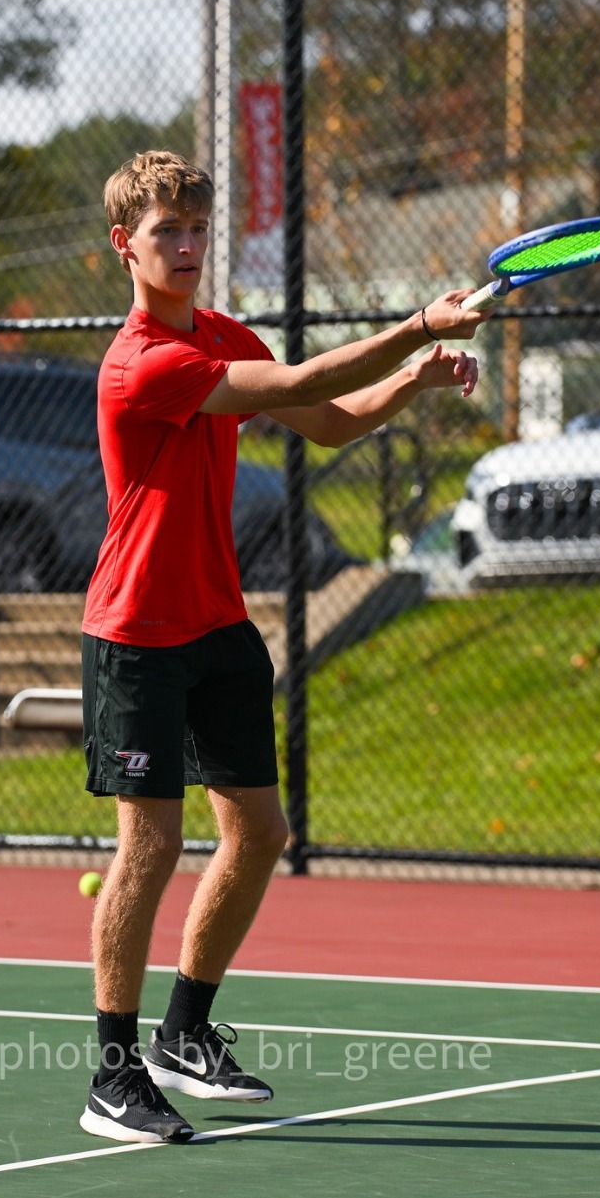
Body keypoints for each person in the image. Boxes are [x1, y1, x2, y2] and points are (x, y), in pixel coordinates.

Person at [78, 151, 484, 1144]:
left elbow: (326, 421)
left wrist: (412, 382)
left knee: (259, 832)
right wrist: (417, 326)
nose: (185, 247)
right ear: (124, 245)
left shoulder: (220, 337)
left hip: (218, 626)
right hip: (135, 632)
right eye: (166, 232)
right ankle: (111, 1077)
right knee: (152, 844)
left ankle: (186, 1032)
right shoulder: (145, 362)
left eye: (197, 231)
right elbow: (302, 375)